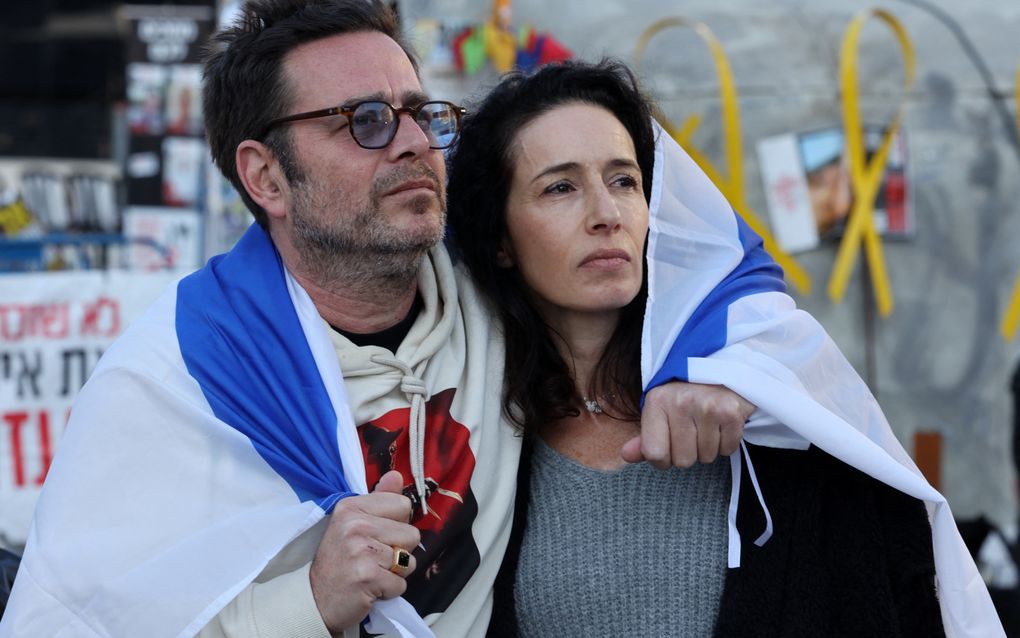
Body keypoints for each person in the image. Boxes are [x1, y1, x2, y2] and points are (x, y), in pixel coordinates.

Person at [0, 2, 753, 637]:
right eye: (363, 121)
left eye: (420, 113)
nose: (415, 143)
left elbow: (721, 260)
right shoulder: (182, 372)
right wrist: (311, 600)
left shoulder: (489, 278)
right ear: (266, 176)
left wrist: (707, 359)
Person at [445, 60, 1005, 637]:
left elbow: (889, 582)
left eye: (625, 181)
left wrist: (744, 384)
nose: (607, 215)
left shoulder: (757, 390)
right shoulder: (477, 435)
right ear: (501, 240)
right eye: (560, 187)